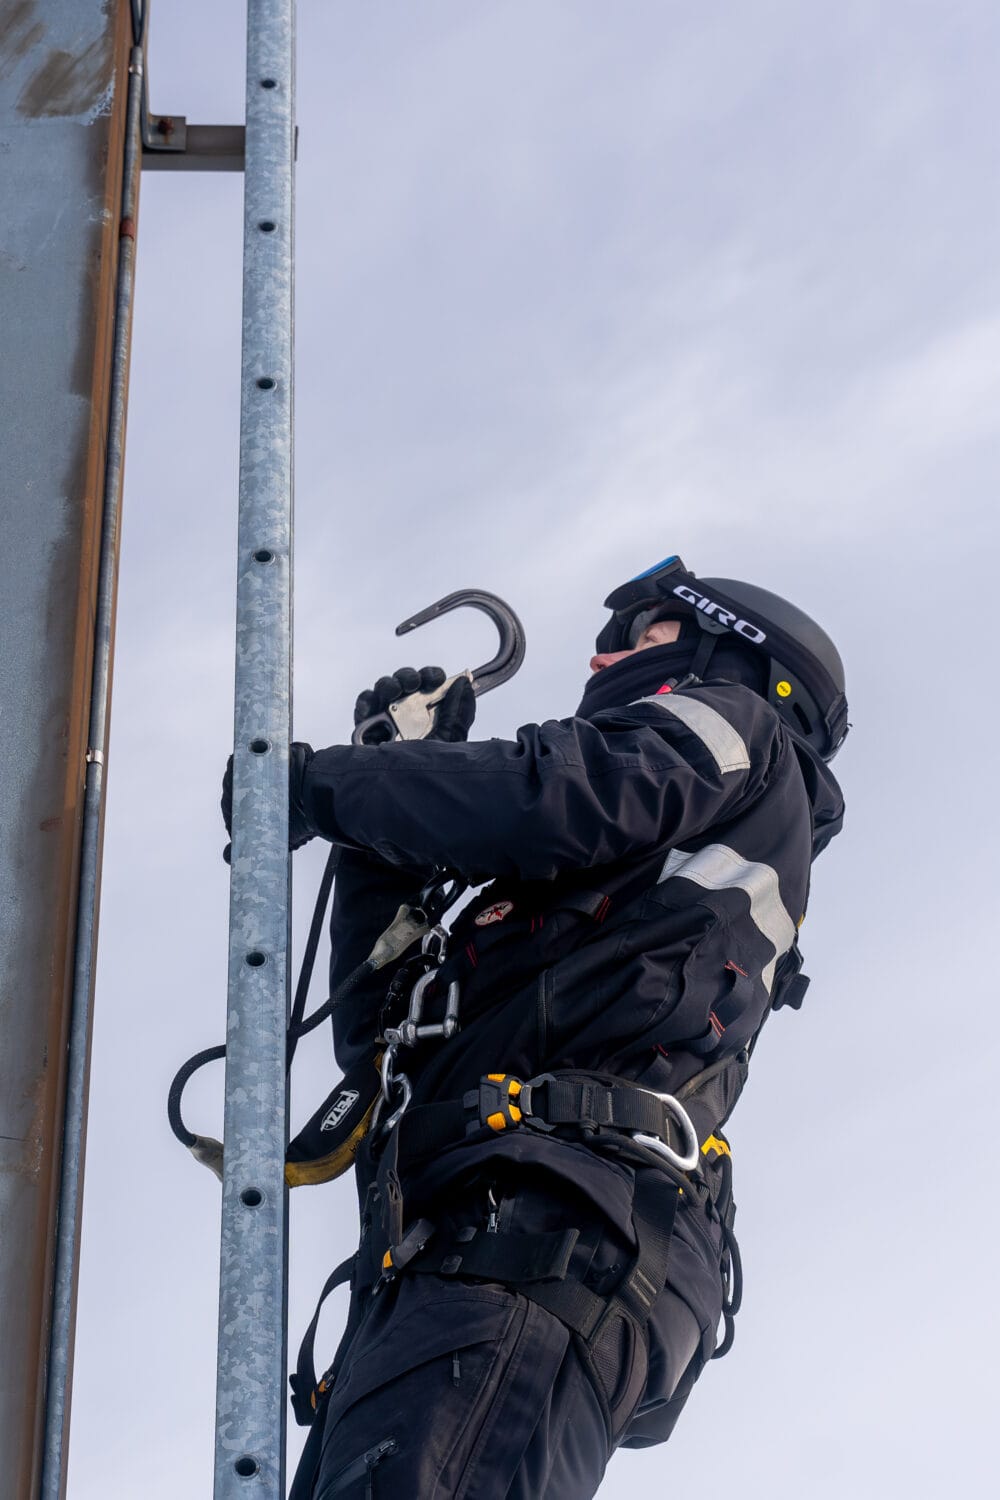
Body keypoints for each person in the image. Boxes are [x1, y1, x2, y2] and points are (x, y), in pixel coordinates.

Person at [281, 553, 847, 1499]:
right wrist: (381, 802)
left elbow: (552, 795)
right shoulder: (590, 895)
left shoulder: (737, 728)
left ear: (730, 655)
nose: (605, 661)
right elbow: (383, 1039)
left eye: (645, 632)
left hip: (546, 1223)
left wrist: (327, 784)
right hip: (463, 1237)